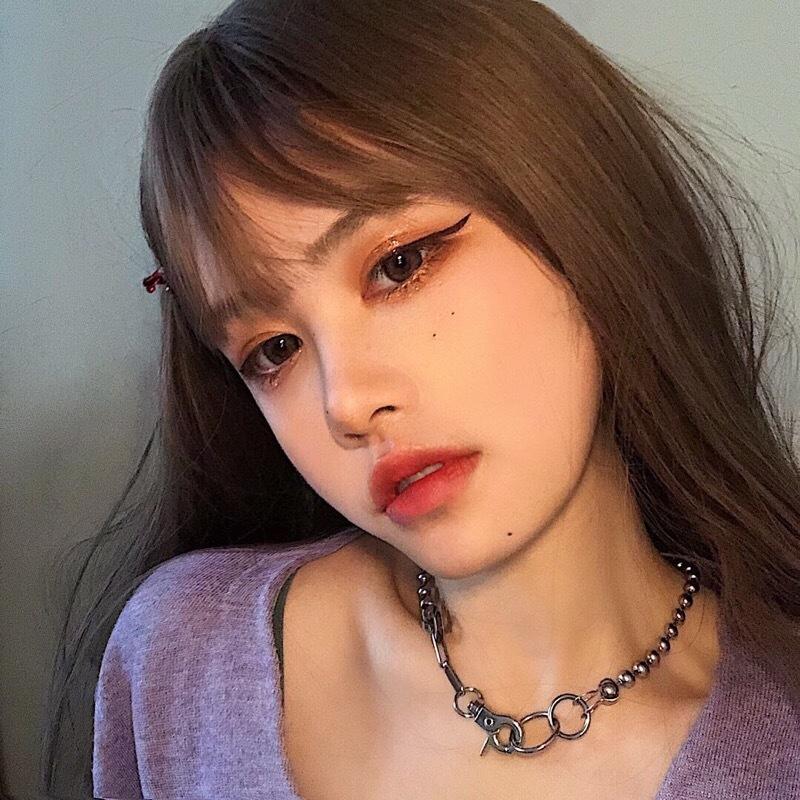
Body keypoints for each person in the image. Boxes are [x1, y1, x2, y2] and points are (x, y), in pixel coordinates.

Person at [42, 1, 799, 798]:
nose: (345, 402)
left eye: (399, 265)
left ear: (580, 208)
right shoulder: (180, 661)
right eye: (275, 350)